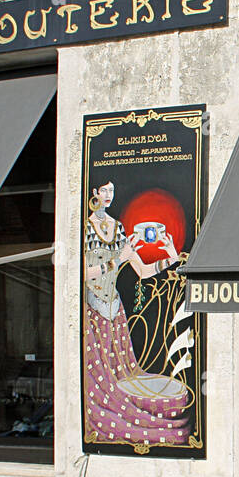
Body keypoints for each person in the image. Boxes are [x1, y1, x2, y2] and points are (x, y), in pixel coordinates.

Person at [83, 181, 189, 447]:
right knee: (104, 386)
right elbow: (83, 273)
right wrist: (117, 260)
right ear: (94, 193)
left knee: (128, 378)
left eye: (112, 192)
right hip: (94, 311)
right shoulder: (85, 229)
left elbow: (142, 271)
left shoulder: (118, 229)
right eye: (104, 191)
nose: (108, 196)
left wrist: (170, 256)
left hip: (115, 310)